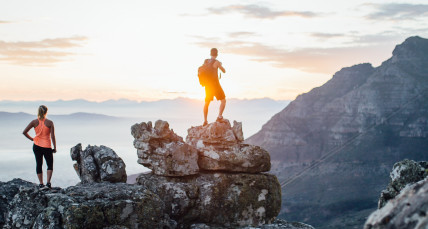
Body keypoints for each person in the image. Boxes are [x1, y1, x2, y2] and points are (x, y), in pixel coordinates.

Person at [23, 105, 57, 189]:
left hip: (36, 145)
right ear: (46, 112)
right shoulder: (50, 122)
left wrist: (32, 139)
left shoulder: (34, 122)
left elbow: (24, 132)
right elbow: (52, 136)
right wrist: (55, 147)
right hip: (47, 146)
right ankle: (48, 183)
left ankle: (41, 184)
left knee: (39, 164)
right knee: (49, 164)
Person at [203, 48, 227, 126]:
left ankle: (205, 121)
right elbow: (224, 71)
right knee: (223, 100)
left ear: (210, 54)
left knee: (207, 103)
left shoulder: (206, 61)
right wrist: (220, 65)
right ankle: (219, 117)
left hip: (207, 85)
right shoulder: (217, 62)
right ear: (217, 54)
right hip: (215, 85)